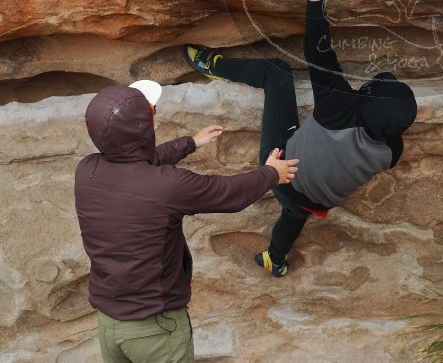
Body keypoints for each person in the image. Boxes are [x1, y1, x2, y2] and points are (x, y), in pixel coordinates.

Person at [183, 0, 418, 278]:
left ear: (365, 100)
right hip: (317, 202)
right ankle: (275, 260)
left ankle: (214, 66)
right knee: (294, 214)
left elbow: (319, 50)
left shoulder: (339, 108)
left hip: (278, 170)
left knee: (276, 72)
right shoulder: (393, 151)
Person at [74, 80, 298, 363]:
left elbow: (138, 161)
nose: (154, 114)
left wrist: (190, 143)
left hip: (109, 324)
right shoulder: (167, 186)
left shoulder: (87, 171)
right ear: (143, 128)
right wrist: (270, 173)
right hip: (155, 329)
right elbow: (228, 193)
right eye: (151, 111)